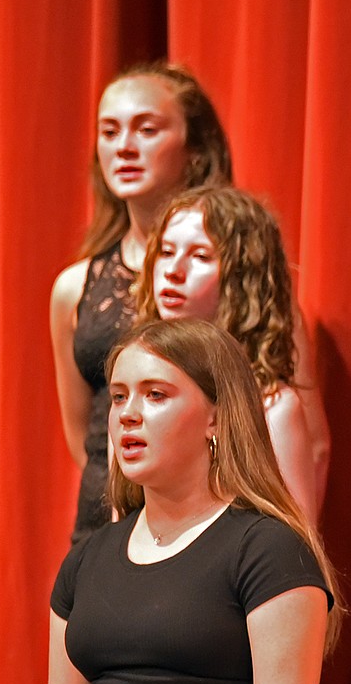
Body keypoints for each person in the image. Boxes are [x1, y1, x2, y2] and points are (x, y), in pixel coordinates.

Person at [16, 318, 342, 684]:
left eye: (155, 395)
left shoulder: (268, 551)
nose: (128, 415)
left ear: (216, 416)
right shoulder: (86, 562)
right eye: (120, 396)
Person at [49, 62, 329, 541]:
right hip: (115, 528)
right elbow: (85, 439)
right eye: (110, 131)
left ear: (195, 150)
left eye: (147, 129)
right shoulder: (75, 287)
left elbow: (311, 444)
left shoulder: (249, 286)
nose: (125, 147)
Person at [136, 185, 321, 521]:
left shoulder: (273, 411)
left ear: (242, 279)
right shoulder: (136, 396)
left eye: (201, 256)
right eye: (165, 251)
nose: (173, 270)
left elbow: (296, 551)